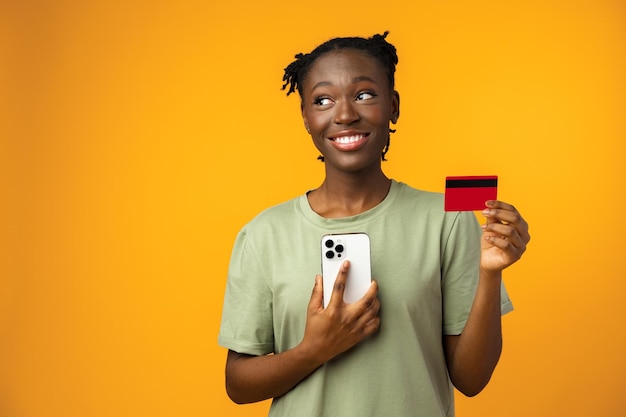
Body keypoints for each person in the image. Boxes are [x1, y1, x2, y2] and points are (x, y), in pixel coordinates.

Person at [218, 32, 530, 417]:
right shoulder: (264, 234)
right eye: (323, 100)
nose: (345, 114)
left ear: (394, 105)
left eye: (364, 94)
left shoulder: (445, 220)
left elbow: (471, 380)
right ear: (306, 117)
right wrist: (315, 349)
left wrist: (490, 275)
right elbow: (238, 384)